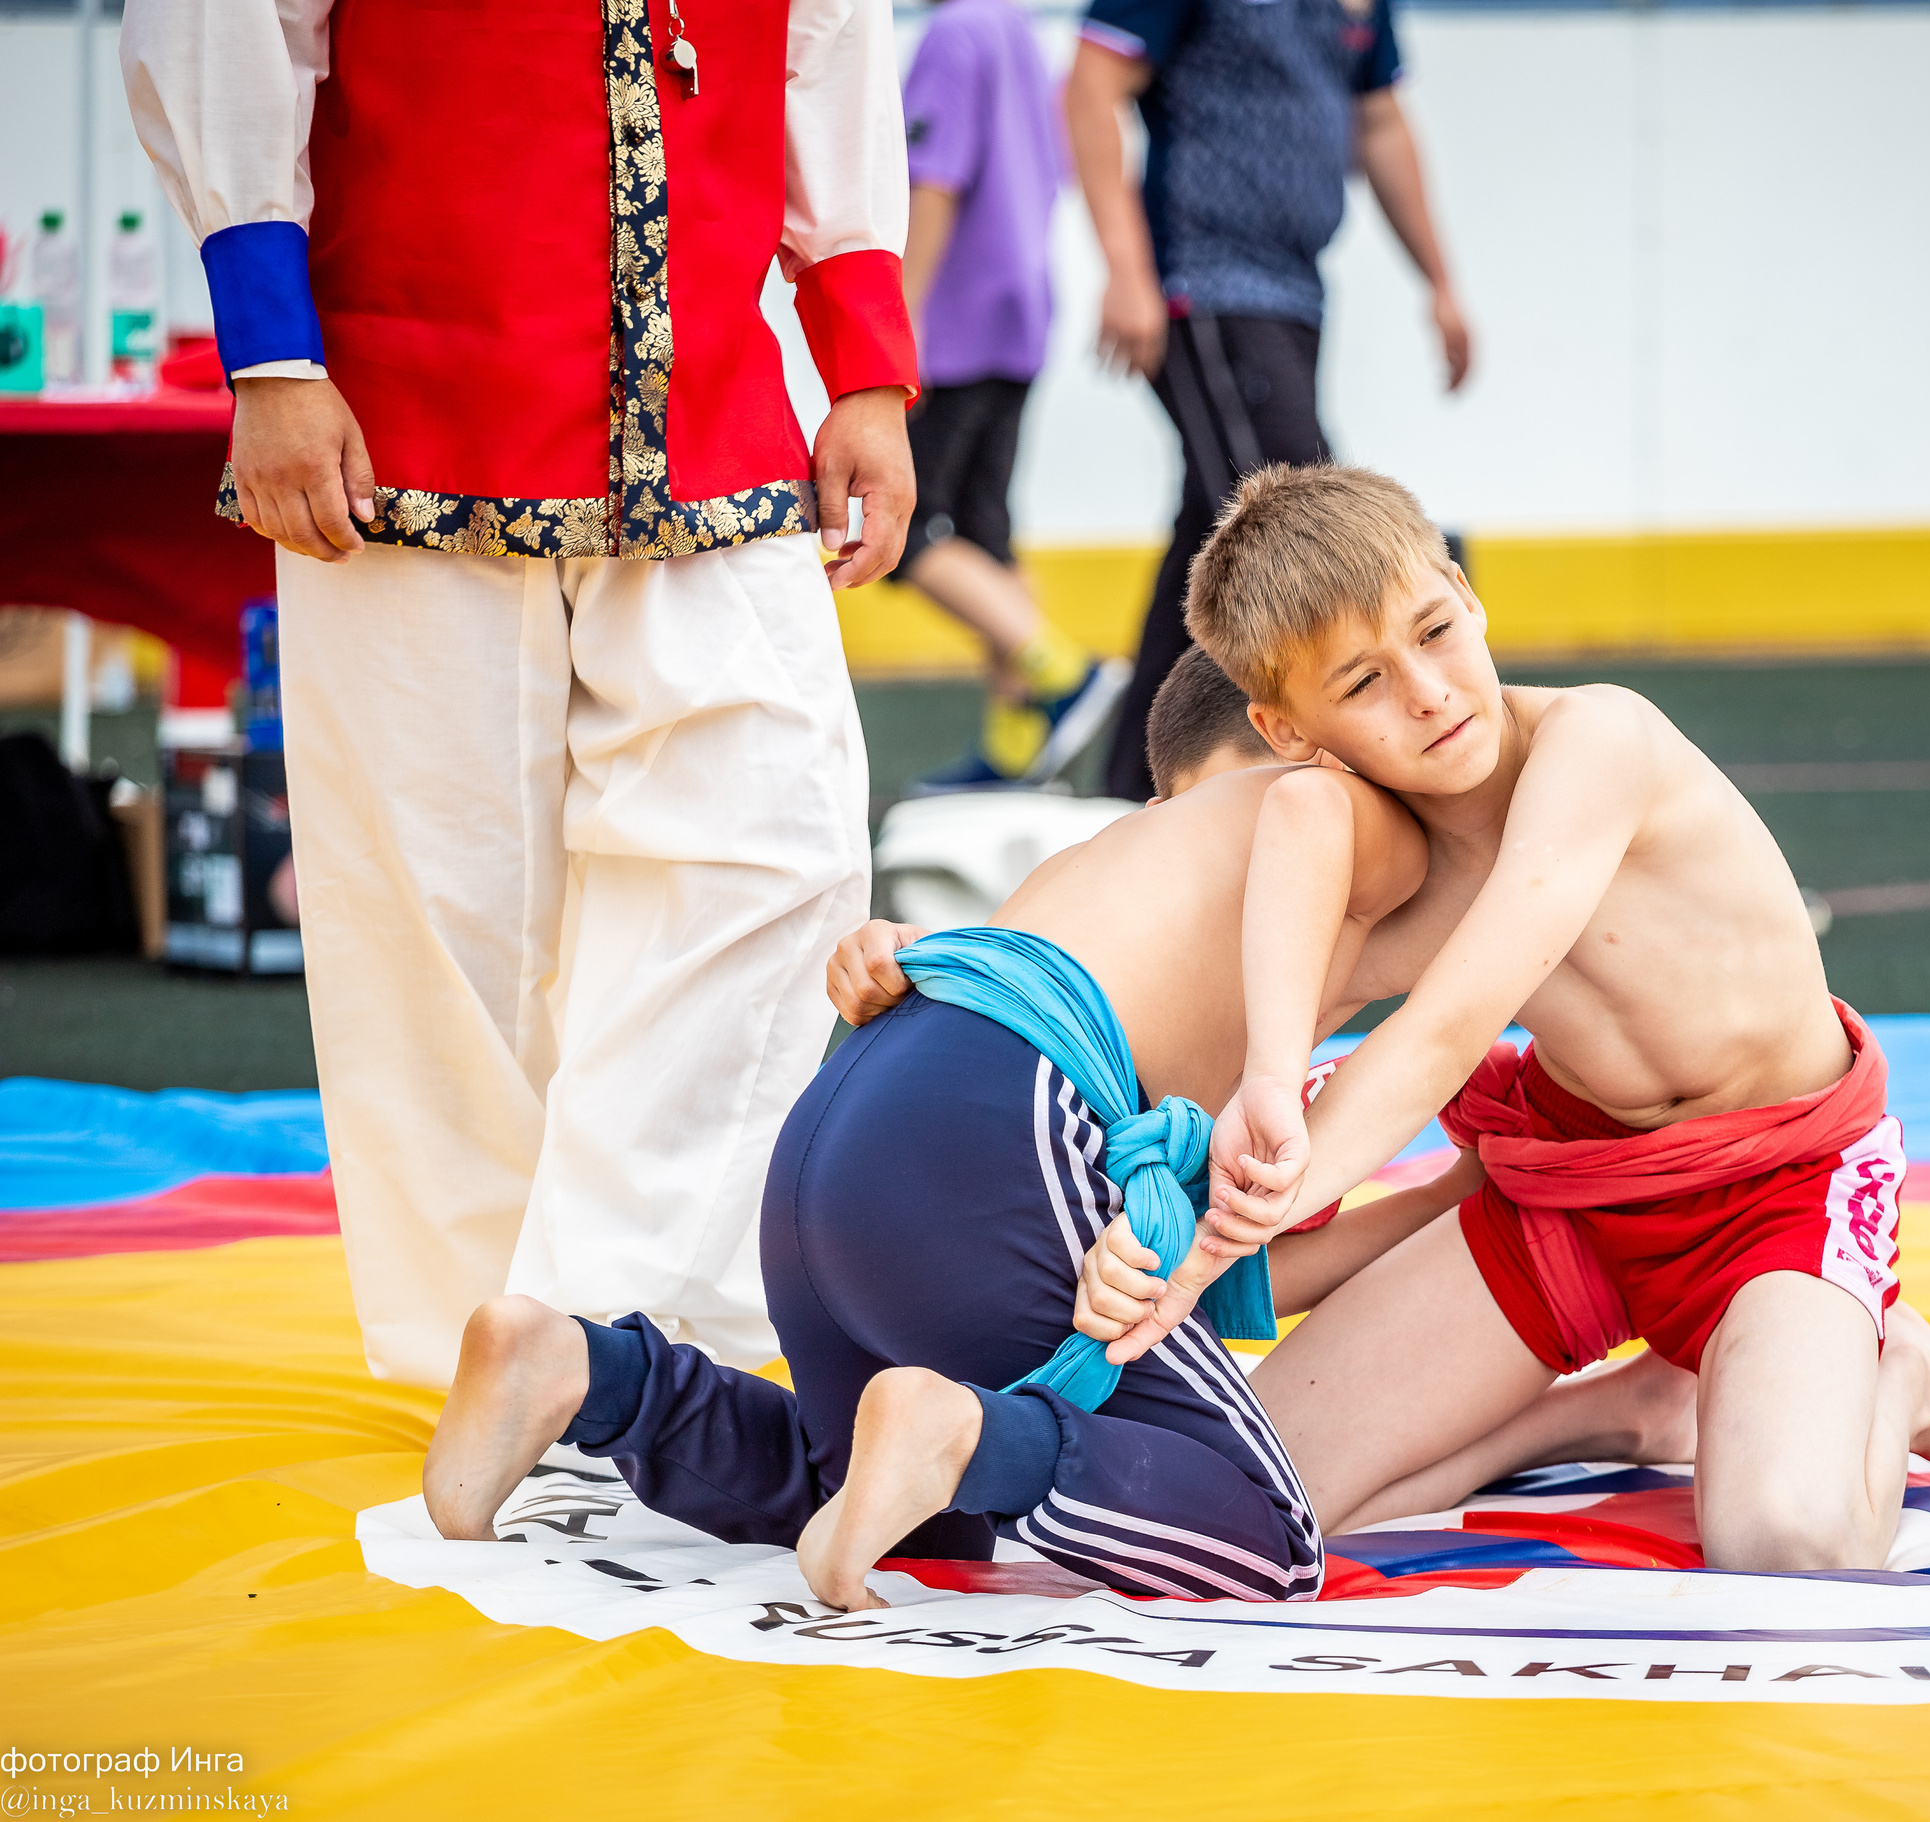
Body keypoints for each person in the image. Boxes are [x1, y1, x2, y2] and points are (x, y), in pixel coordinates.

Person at [1074, 465, 1930, 1570]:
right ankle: (1619, 1410)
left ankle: (1907, 1369)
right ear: (1288, 729)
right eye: (1364, 682)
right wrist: (1134, 1218)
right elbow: (1191, 1056)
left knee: (1790, 1543)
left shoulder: (1600, 742)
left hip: (1780, 1188)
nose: (1429, 693)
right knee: (1252, 1503)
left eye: (1435, 630)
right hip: (1576, 1190)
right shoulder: (1376, 861)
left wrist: (1226, 1229)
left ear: (1468, 595)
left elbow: (1447, 1029)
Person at [120, 0, 919, 1387]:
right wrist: (271, 353)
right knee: (443, 920)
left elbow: (828, 41)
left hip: (712, 413)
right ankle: (477, 1347)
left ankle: (637, 1339)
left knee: (776, 852)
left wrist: (865, 365)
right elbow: (228, 25)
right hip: (402, 414)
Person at [421, 693, 1436, 1608]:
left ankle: (586, 1372)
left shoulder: (1111, 872)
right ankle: (959, 1432)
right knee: (1270, 1536)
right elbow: (1322, 830)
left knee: (903, 1521)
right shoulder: (1317, 817)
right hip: (992, 1116)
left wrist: (1445, 1196)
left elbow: (1212, 1274)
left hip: (853, 1114)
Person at [1064, 0, 1472, 802]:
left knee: (1213, 533)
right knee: (1304, 533)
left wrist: (1441, 282)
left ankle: (1130, 793)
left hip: (1295, 294)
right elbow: (1090, 85)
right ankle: (1365, 769)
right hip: (1206, 285)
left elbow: (1380, 123)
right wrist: (1127, 269)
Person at [896, 0, 1131, 792]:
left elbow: (935, 181)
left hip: (956, 321)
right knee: (985, 533)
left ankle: (1061, 671)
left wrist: (905, 314)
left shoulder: (954, 33)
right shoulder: (1018, 33)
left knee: (904, 530)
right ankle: (1016, 742)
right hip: (1017, 313)